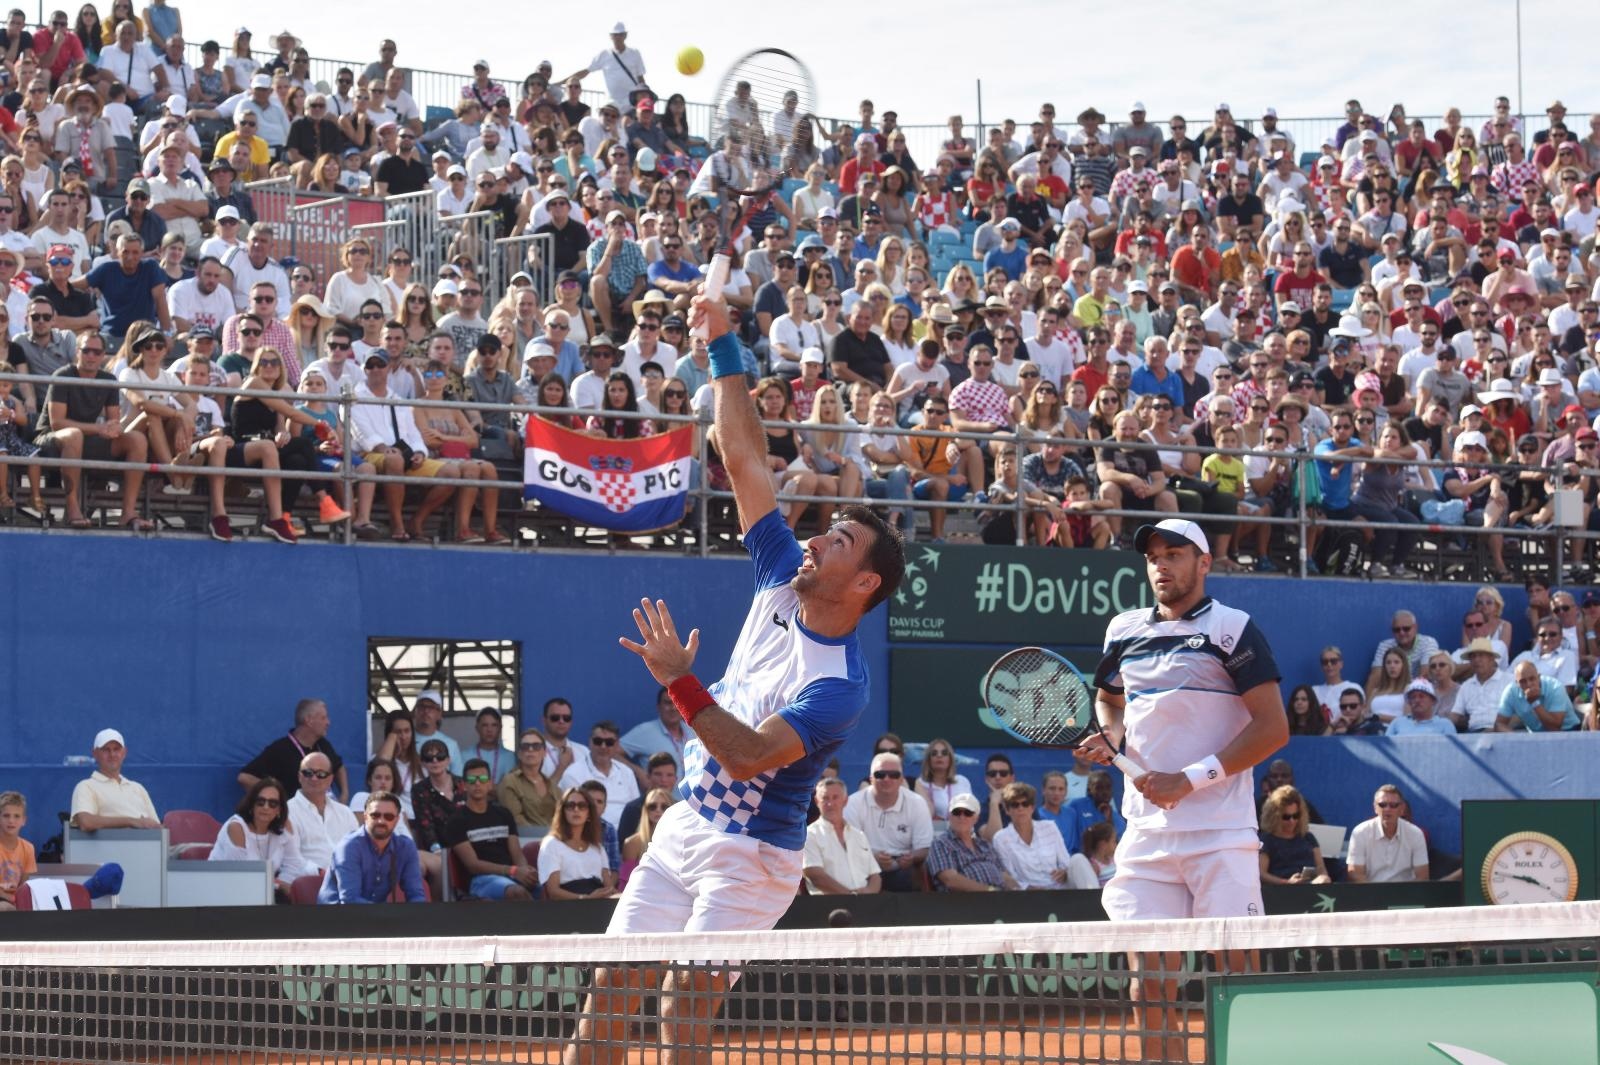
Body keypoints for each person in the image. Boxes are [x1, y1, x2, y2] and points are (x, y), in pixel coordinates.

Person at [566, 288, 904, 1065]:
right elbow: (743, 456)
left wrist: (683, 684)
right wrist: (722, 346)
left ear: (865, 586)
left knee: (684, 1010)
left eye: (843, 539)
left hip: (756, 855)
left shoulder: (839, 686)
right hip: (685, 824)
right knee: (609, 996)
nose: (820, 537)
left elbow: (749, 755)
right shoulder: (784, 573)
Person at [1079, 517, 1287, 1064]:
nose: (1162, 565)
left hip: (1221, 833)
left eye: (1175, 553)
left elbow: (1272, 728)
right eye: (1153, 556)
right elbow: (1110, 701)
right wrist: (1111, 737)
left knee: (1238, 974)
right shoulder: (1123, 630)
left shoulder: (1232, 628)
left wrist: (1189, 780)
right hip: (1146, 837)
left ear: (1204, 563)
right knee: (1149, 984)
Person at [443, 757, 533, 901]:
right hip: (480, 881)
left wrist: (525, 870)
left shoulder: (504, 814)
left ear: (490, 784)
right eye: (472, 780)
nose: (477, 783)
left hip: (511, 875)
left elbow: (517, 854)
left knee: (545, 889)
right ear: (464, 785)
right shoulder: (456, 821)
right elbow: (473, 865)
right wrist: (513, 870)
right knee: (516, 892)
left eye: (483, 778)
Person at [843, 751, 933, 891]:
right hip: (864, 864)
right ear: (871, 778)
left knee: (910, 878)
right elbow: (848, 845)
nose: (887, 779)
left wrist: (911, 858)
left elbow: (924, 848)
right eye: (880, 775)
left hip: (904, 866)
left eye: (894, 775)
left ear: (902, 779)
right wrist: (872, 858)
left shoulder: (917, 803)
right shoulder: (853, 803)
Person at [211, 777, 312, 898]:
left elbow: (293, 864)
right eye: (260, 801)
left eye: (273, 803)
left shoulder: (284, 826)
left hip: (264, 894)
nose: (266, 807)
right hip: (225, 893)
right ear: (251, 804)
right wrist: (277, 886)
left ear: (279, 810)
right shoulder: (236, 827)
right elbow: (239, 876)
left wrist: (281, 885)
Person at [317, 791, 426, 904]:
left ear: (397, 820)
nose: (381, 821)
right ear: (365, 817)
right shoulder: (349, 847)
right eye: (375, 815)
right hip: (335, 916)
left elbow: (416, 895)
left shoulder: (405, 847)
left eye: (388, 816)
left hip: (376, 917)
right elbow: (350, 900)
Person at [238, 698, 346, 801]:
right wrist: (277, 797)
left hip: (325, 809)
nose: (328, 722)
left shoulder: (322, 745)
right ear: (309, 720)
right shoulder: (280, 749)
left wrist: (344, 794)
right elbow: (244, 778)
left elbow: (338, 766)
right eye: (323, 718)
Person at [69, 728, 159, 831]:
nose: (112, 754)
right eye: (106, 750)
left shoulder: (138, 788)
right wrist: (133, 821)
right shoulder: (86, 786)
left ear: (124, 753)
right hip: (114, 846)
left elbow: (156, 827)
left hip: (150, 845)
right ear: (95, 754)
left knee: (181, 846)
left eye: (116, 749)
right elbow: (86, 822)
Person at [925, 792, 1017, 892]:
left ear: (976, 819)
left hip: (1000, 898)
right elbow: (950, 880)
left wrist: (1020, 891)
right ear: (950, 816)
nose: (962, 817)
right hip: (965, 902)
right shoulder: (941, 844)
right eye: (956, 812)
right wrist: (990, 890)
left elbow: (1004, 875)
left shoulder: (985, 845)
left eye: (968, 813)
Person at [802, 777, 880, 895]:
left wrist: (868, 894)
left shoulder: (859, 835)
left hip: (865, 906)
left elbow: (875, 876)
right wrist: (850, 897)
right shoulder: (809, 835)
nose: (830, 803)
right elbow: (815, 875)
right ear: (817, 801)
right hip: (826, 907)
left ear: (845, 801)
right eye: (825, 798)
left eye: (835, 797)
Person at [286, 752, 359, 874]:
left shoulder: (345, 813)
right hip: (308, 881)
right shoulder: (287, 811)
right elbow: (291, 858)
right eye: (308, 773)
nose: (314, 778)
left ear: (330, 779)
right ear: (299, 776)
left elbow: (357, 851)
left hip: (346, 880)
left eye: (321, 774)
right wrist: (320, 872)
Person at [539, 786, 617, 900]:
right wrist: (585, 898)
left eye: (582, 806)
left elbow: (609, 888)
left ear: (589, 813)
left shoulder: (598, 848)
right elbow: (553, 892)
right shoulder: (551, 844)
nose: (576, 809)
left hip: (599, 903)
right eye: (570, 806)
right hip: (569, 907)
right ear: (562, 811)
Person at [992, 782, 1072, 889]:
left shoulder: (1050, 827)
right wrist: (1029, 888)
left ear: (1032, 808)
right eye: (1015, 805)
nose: (1021, 808)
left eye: (1025, 804)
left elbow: (1066, 862)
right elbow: (1010, 877)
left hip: (1061, 890)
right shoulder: (1000, 838)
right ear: (1007, 810)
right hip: (1028, 897)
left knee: (1078, 860)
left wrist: (1064, 872)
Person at [1346, 785, 1430, 883]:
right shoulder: (1360, 833)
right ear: (1375, 807)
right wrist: (1375, 895)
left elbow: (1422, 877)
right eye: (1382, 804)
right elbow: (1355, 873)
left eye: (1393, 805)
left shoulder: (1415, 834)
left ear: (1402, 808)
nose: (1387, 809)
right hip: (1370, 893)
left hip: (1406, 894)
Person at [1257, 785, 1331, 886]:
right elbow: (1261, 874)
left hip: (1310, 890)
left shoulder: (1308, 837)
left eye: (1296, 816)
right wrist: (1287, 882)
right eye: (1286, 817)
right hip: (1280, 894)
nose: (1292, 821)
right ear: (1274, 817)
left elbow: (1321, 868)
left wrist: (1323, 878)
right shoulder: (1267, 840)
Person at [619, 686, 696, 776]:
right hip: (660, 790)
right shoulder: (645, 731)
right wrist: (638, 773)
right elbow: (612, 753)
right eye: (668, 703)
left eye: (677, 703)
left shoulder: (693, 730)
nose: (673, 708)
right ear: (658, 707)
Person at [497, 728, 560, 830]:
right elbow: (515, 818)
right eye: (525, 746)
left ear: (544, 753)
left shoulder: (552, 785)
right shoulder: (510, 781)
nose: (530, 750)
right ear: (519, 754)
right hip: (524, 840)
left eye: (536, 746)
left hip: (553, 840)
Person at [1497, 659, 1580, 732]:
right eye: (1523, 681)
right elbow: (1499, 724)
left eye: (1532, 679)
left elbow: (1554, 728)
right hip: (1535, 736)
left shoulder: (1555, 687)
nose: (1528, 684)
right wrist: (1516, 739)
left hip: (1567, 731)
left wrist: (1534, 703)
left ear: (1539, 677)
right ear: (1517, 683)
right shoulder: (1511, 691)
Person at [0, 791, 34, 911]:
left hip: (14, 900)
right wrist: (10, 899)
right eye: (6, 815)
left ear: (24, 820)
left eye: (16, 816)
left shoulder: (28, 848)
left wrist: (18, 900)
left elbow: (23, 885)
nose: (11, 820)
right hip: (6, 901)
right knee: (4, 908)